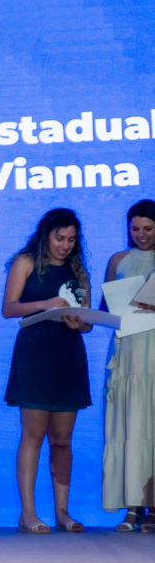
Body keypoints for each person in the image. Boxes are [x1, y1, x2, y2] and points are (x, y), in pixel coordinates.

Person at [2, 208, 92, 534]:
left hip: (69, 356)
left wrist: (78, 322)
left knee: (63, 440)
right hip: (35, 356)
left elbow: (87, 323)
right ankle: (28, 514)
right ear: (46, 235)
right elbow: (9, 308)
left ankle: (63, 513)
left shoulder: (78, 270)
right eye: (59, 238)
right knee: (33, 436)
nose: (65, 245)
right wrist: (45, 304)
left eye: (71, 240)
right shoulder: (25, 262)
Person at [102, 199, 155, 531]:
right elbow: (105, 306)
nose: (141, 235)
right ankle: (134, 507)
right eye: (135, 229)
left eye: (148, 228)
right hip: (129, 351)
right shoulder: (118, 260)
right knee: (130, 426)